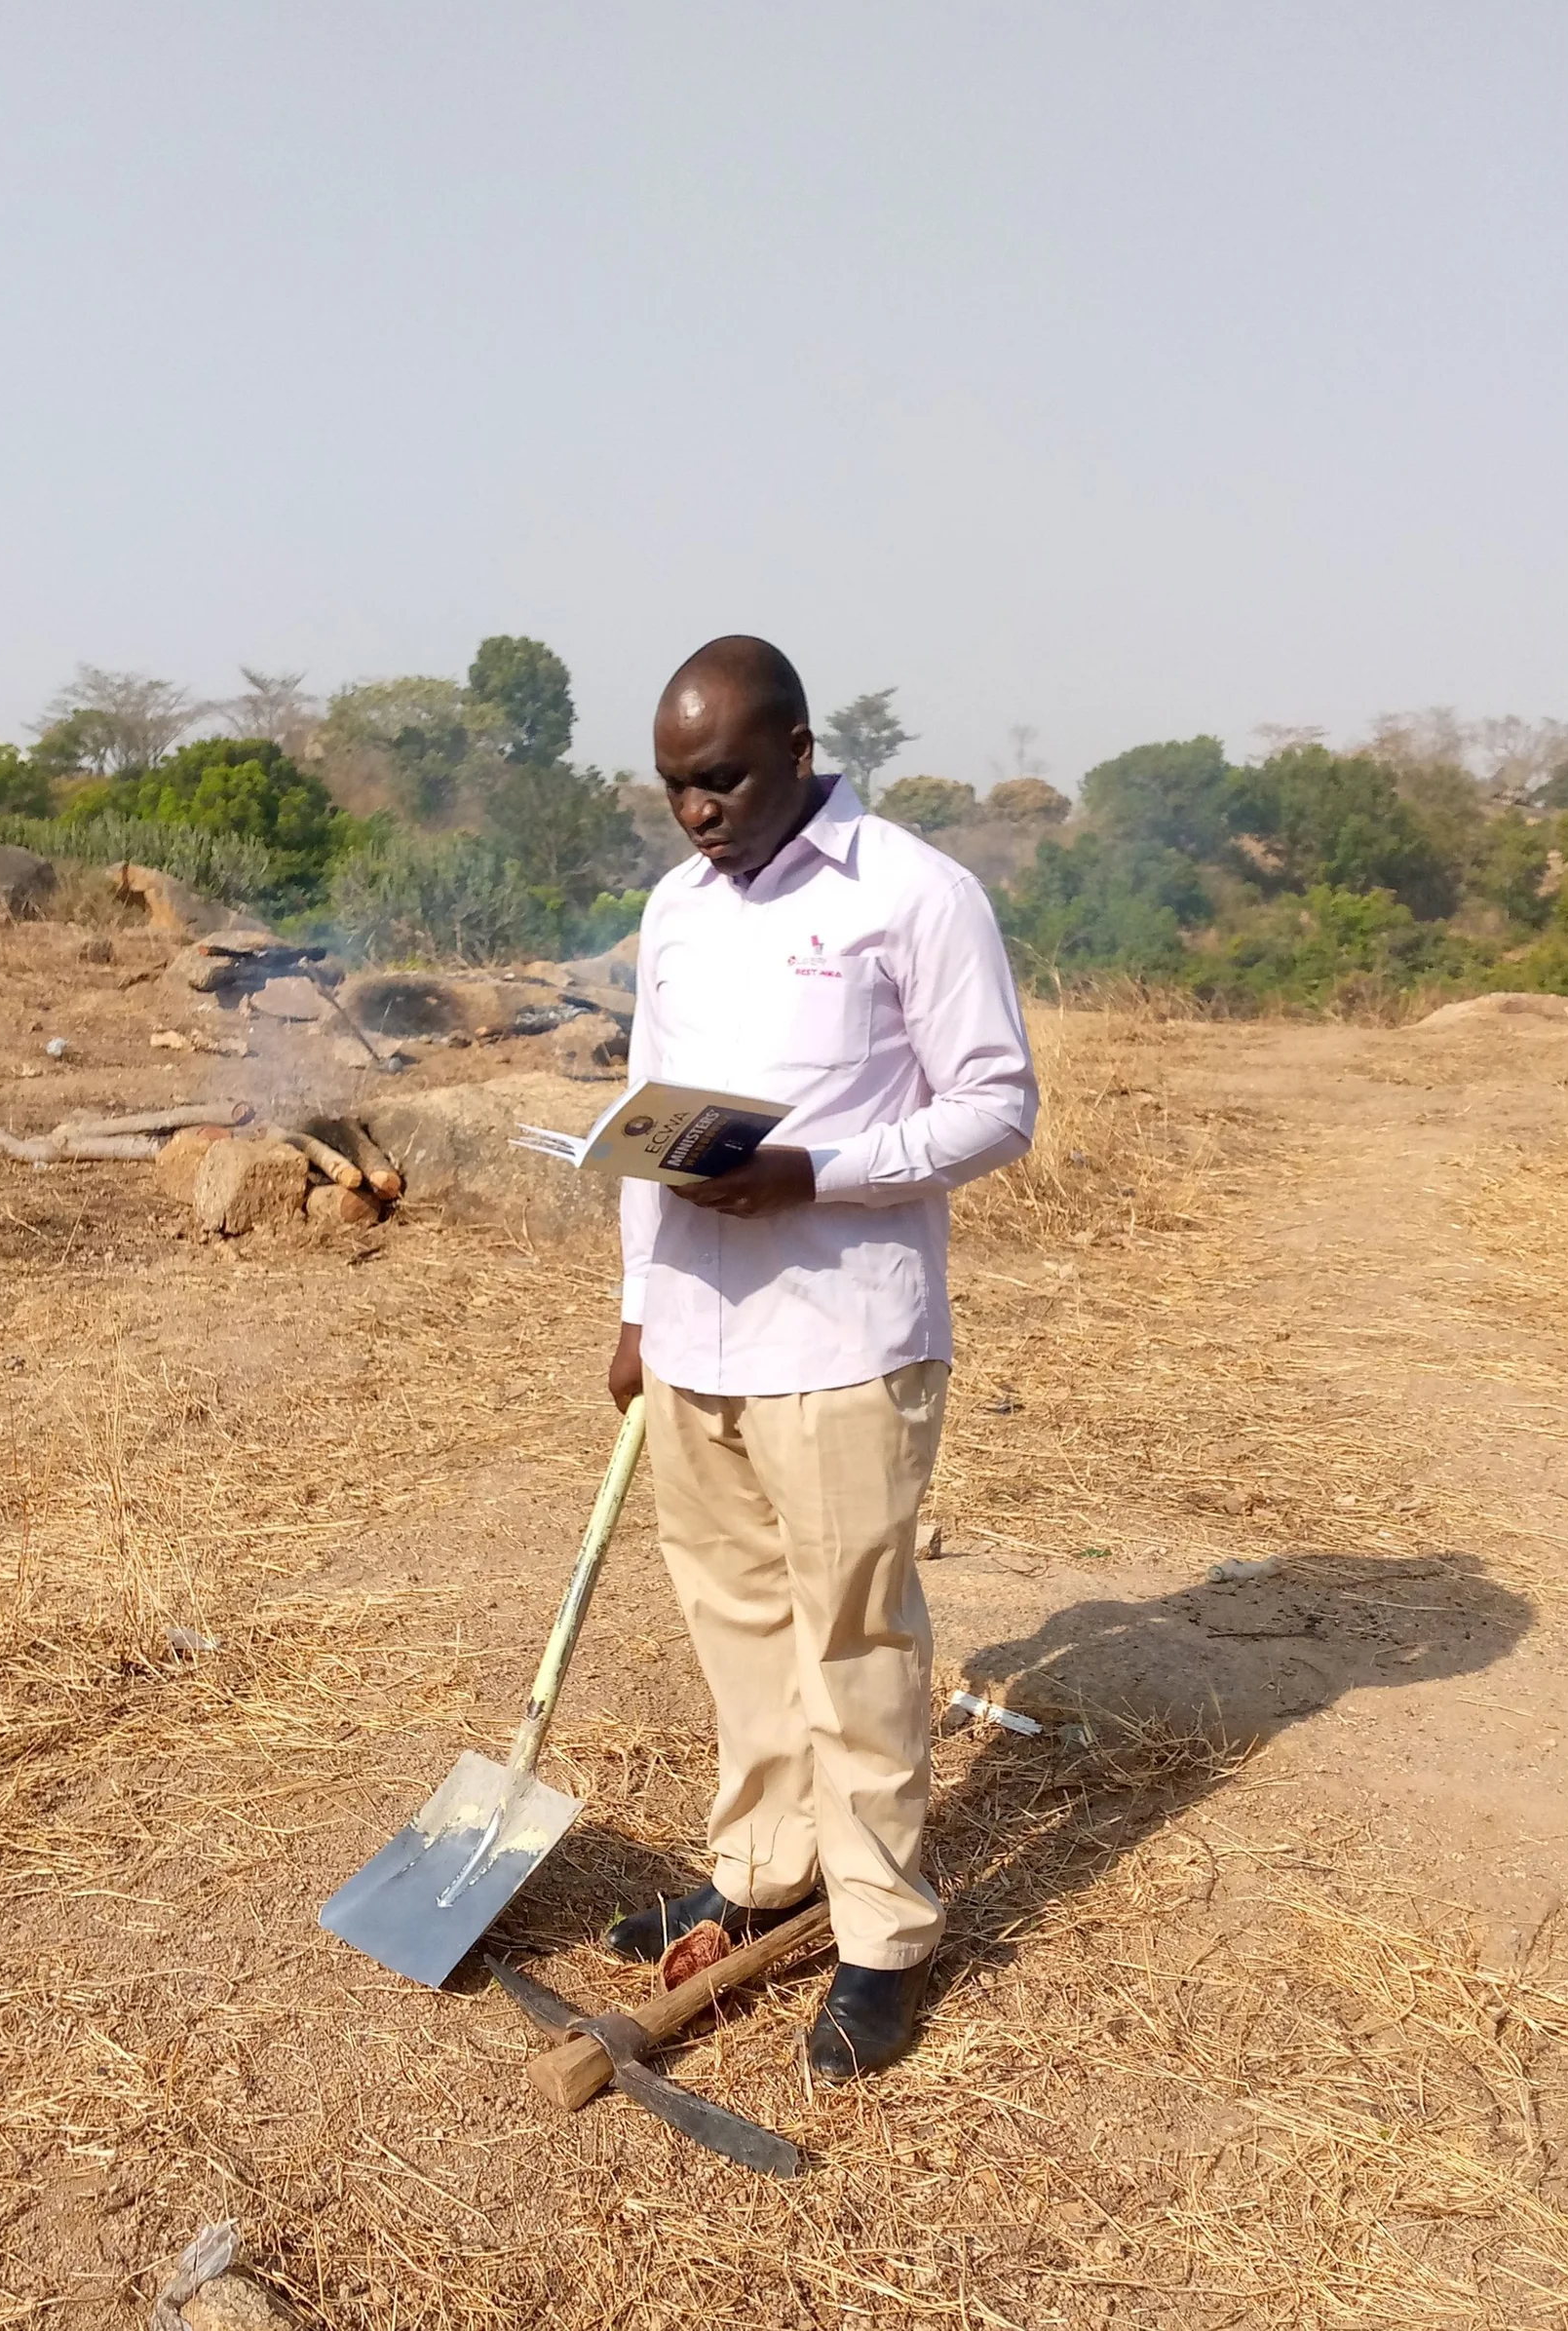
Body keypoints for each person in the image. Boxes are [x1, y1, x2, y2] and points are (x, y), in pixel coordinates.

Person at [603, 634, 1038, 2078]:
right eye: (674, 787)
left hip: (844, 1335)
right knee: (734, 1623)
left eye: (720, 778)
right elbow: (645, 1125)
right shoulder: (673, 908)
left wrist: (819, 1172)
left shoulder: (914, 893)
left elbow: (996, 1108)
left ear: (798, 748)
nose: (697, 812)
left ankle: (882, 1939)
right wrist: (633, 1307)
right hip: (697, 1337)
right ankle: (762, 1872)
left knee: (854, 1640)